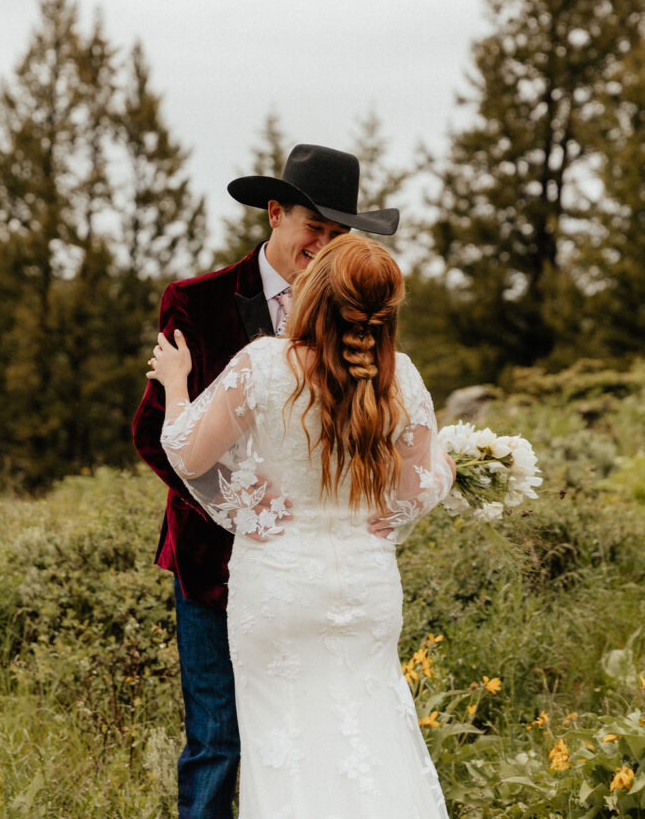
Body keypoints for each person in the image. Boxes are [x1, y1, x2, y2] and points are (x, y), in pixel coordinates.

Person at [147, 233, 456, 819]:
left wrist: (178, 385)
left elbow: (188, 454)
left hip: (278, 587)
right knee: (377, 733)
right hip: (366, 589)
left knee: (284, 746)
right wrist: (448, 464)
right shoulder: (403, 379)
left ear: (314, 294)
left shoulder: (264, 365)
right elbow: (414, 491)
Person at [132, 144, 399, 819]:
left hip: (312, 574)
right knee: (218, 740)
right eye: (315, 227)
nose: (326, 246)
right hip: (211, 564)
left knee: (309, 736)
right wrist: (245, 506)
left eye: (340, 235)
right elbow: (153, 430)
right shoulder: (196, 301)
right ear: (274, 213)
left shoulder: (351, 313)